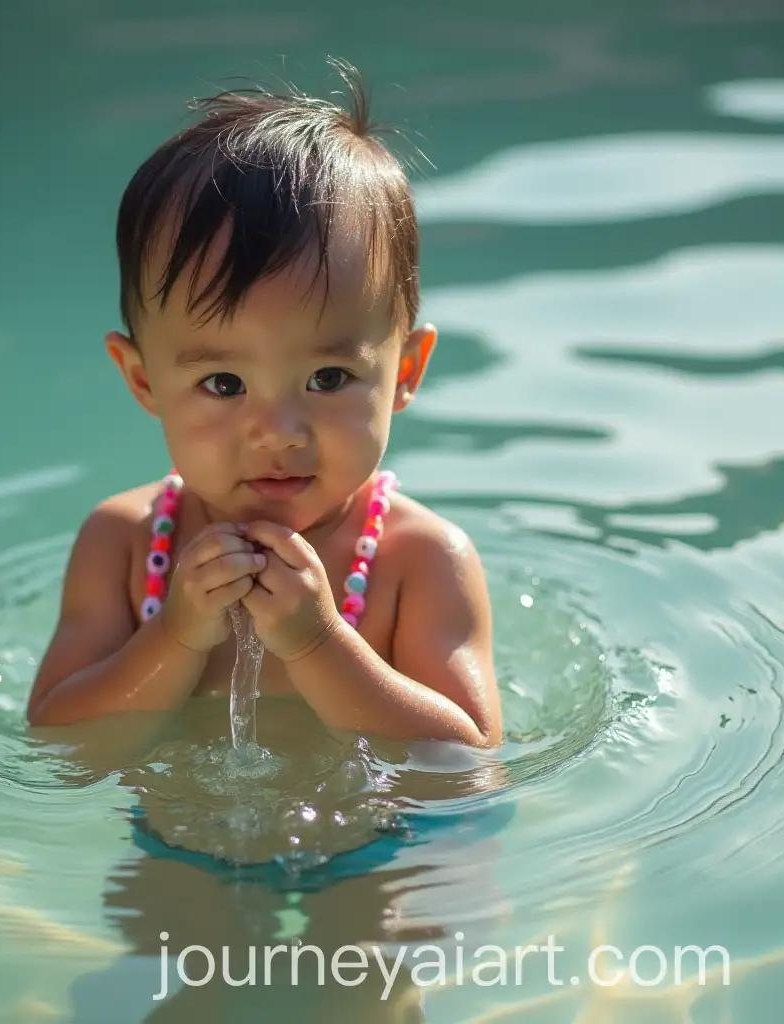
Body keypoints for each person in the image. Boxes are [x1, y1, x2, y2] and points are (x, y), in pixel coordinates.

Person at [25, 59, 502, 751]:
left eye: (329, 378)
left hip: (372, 823)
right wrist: (175, 635)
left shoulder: (421, 561)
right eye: (224, 384)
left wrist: (320, 643)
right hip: (175, 818)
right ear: (143, 380)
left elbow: (466, 760)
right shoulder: (124, 544)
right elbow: (57, 739)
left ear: (405, 371)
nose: (278, 434)